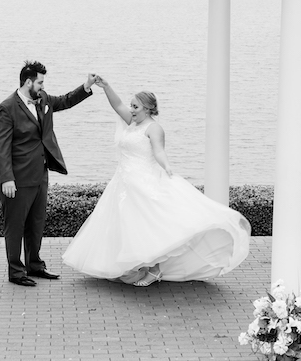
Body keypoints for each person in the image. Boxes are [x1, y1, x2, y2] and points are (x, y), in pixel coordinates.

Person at [61, 76, 251, 286]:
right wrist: (106, 87)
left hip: (143, 181)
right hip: (124, 182)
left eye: (135, 106)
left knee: (150, 225)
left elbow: (159, 151)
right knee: (127, 226)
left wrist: (167, 166)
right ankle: (133, 265)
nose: (131, 109)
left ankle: (154, 270)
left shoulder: (154, 128)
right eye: (131, 106)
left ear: (148, 109)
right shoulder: (132, 122)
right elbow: (116, 105)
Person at [0, 61, 97, 287]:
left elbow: (65, 100)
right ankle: (16, 272)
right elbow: (0, 147)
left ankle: (35, 265)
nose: (42, 86)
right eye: (39, 82)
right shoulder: (7, 107)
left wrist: (86, 85)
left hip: (40, 175)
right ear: (28, 82)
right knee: (16, 225)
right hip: (16, 179)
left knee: (36, 224)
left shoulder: (44, 99)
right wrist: (7, 178)